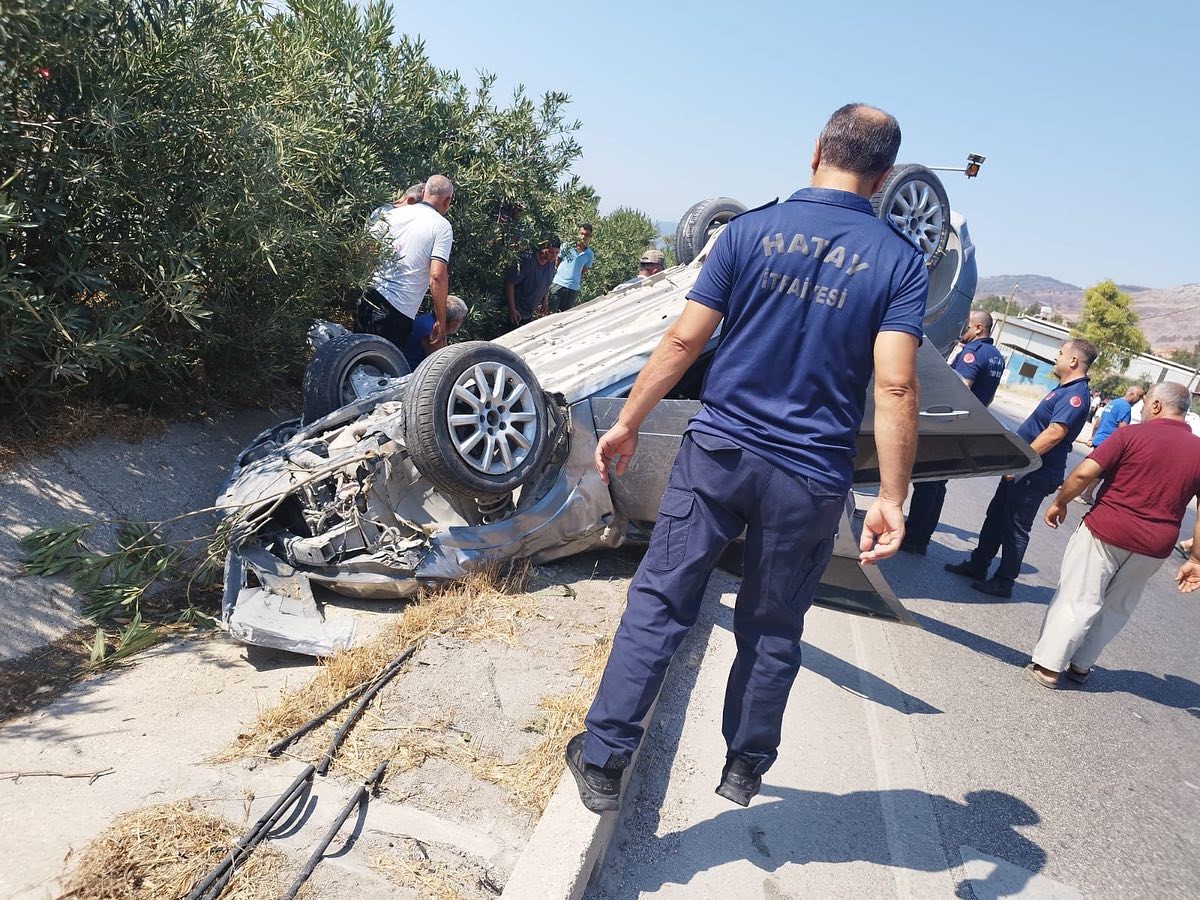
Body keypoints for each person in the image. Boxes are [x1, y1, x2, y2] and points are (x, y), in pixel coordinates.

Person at [565, 103, 927, 812]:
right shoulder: (898, 263)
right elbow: (895, 384)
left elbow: (680, 344)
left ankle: (604, 759)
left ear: (817, 149)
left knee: (662, 599)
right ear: (882, 178)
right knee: (774, 620)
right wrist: (892, 494)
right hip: (811, 476)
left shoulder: (749, 232)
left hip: (720, 453)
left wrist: (629, 422)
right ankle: (744, 767)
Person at [1027, 381, 1200, 688]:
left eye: (1145, 404)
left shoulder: (1129, 435)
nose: (1142, 410)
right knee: (1118, 606)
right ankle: (1081, 666)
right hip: (1154, 546)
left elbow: (1083, 473)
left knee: (1079, 597)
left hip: (1106, 531)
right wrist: (1197, 558)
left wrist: (1059, 502)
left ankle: (1050, 666)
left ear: (1157, 406)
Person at [944, 339, 1097, 598]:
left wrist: (1024, 460)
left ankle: (1004, 582)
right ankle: (978, 565)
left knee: (1015, 527)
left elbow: (1055, 432)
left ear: (1073, 361)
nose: (1056, 357)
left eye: (1061, 353)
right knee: (996, 516)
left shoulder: (1075, 396)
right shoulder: (1063, 389)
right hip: (1024, 466)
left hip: (1035, 471)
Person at [901, 309, 1006, 554]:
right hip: (968, 427)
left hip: (949, 426)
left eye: (966, 326)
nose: (962, 330)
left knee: (927, 482)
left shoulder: (973, 354)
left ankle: (914, 538)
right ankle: (922, 537)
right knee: (938, 484)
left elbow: (959, 389)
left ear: (979, 328)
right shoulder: (996, 357)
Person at [356, 174, 454, 351]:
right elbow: (437, 276)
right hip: (398, 309)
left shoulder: (389, 213)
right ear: (447, 201)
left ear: (424, 192)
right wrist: (440, 321)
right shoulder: (441, 226)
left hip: (369, 298)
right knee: (384, 370)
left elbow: (366, 253)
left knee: (357, 361)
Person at [1077, 385, 1143, 504]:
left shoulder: (1114, 403)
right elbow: (1123, 429)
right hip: (1109, 442)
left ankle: (1082, 493)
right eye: (1140, 396)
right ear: (1132, 394)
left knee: (1093, 468)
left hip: (1100, 439)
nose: (1139, 400)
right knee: (1100, 472)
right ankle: (1085, 495)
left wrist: (1094, 436)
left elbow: (1098, 422)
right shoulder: (1125, 407)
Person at [504, 237, 562, 329]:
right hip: (516, 313)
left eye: (557, 253)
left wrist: (544, 300)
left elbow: (546, 282)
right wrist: (512, 309)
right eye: (551, 252)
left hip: (529, 312)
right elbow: (510, 283)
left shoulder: (550, 263)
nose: (554, 256)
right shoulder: (527, 261)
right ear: (542, 248)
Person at [402, 294, 468, 371]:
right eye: (462, 319)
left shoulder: (428, 319)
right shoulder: (434, 333)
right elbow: (437, 365)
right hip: (410, 373)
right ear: (454, 322)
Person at [548, 224, 594, 312]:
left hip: (573, 288)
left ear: (590, 237)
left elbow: (584, 271)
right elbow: (557, 261)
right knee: (550, 313)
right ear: (578, 233)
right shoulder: (567, 246)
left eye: (587, 235)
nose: (583, 237)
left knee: (565, 316)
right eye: (582, 233)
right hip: (558, 284)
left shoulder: (589, 254)